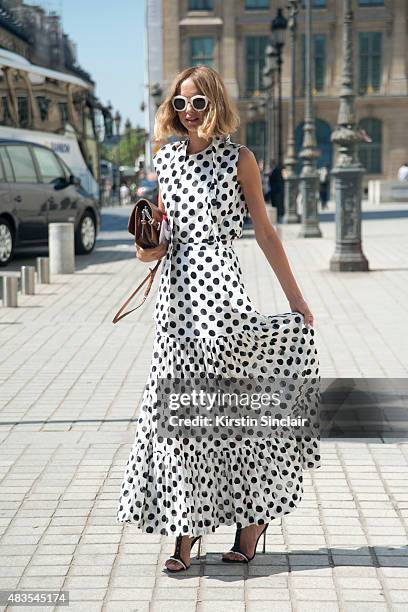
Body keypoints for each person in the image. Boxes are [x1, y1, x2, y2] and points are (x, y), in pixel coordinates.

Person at [116, 65, 320, 572]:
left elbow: (267, 234)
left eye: (198, 103)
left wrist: (297, 300)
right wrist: (146, 243)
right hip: (175, 301)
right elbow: (156, 248)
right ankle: (184, 534)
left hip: (221, 296)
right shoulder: (165, 159)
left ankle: (251, 523)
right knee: (180, 419)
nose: (187, 112)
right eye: (180, 103)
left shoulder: (240, 159)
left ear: (215, 105)